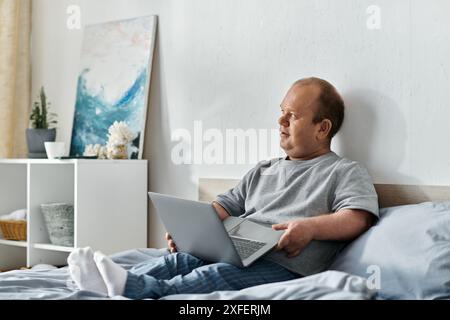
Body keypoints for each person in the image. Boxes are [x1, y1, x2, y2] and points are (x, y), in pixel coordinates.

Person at [67, 77, 379, 299]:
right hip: (235, 250)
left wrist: (309, 228)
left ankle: (133, 291)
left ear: (322, 128)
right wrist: (191, 233)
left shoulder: (343, 171)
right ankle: (112, 283)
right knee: (178, 261)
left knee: (210, 277)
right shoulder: (264, 170)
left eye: (292, 115)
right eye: (281, 110)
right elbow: (224, 205)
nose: (281, 120)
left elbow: (357, 217)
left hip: (283, 265)